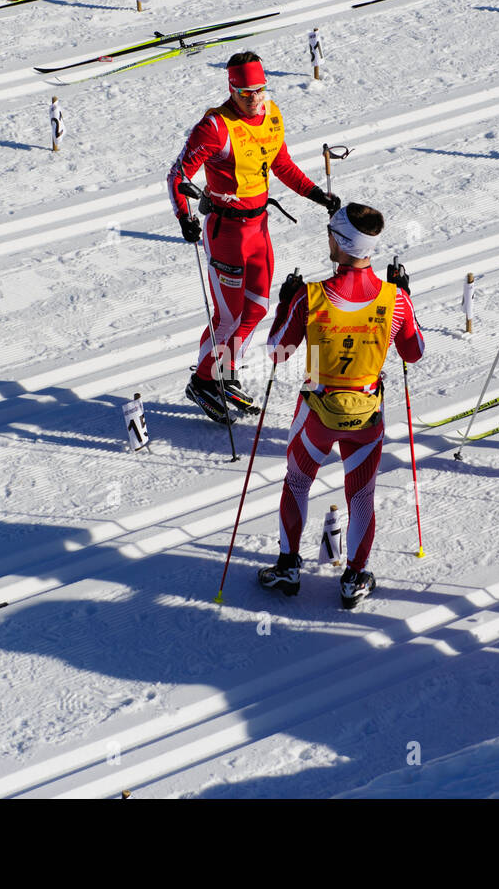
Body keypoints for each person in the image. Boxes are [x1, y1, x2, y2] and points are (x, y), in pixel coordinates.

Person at [258, 203, 425, 608]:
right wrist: (405, 294)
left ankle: (288, 566)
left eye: (331, 234)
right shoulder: (394, 299)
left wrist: (284, 302)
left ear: (341, 241)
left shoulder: (310, 296)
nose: (327, 240)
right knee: (361, 493)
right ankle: (353, 578)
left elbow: (277, 351)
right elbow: (414, 351)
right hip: (366, 413)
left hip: (318, 410)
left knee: (298, 483)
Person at [168, 51, 340, 425]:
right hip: (226, 232)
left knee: (258, 309)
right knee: (228, 318)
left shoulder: (272, 113)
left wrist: (315, 194)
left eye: (259, 90)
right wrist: (184, 217)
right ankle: (202, 382)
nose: (254, 99)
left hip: (259, 227)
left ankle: (224, 372)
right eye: (245, 92)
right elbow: (177, 175)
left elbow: (281, 163)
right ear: (231, 88)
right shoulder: (215, 126)